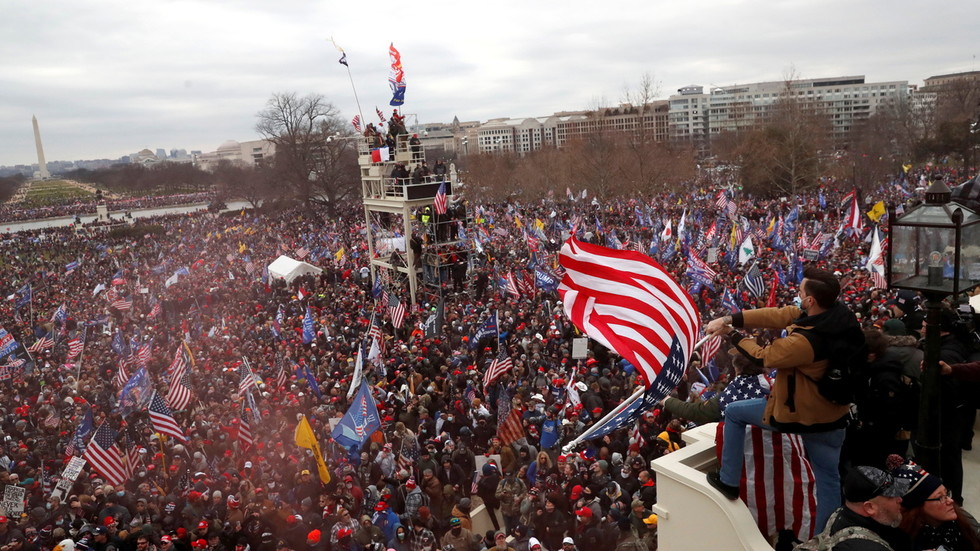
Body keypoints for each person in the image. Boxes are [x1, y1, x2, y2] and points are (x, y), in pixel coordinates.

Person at [705, 266, 858, 529]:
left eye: (800, 292)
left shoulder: (805, 342)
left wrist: (732, 334)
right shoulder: (840, 316)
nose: (796, 297)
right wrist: (732, 318)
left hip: (803, 414)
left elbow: (764, 356)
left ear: (811, 300)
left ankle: (729, 480)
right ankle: (828, 536)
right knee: (829, 479)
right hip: (836, 412)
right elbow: (779, 314)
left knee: (734, 412)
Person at [816, 466, 913, 551]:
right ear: (869, 507)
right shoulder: (867, 547)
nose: (900, 499)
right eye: (892, 496)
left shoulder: (840, 514)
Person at [892, 462, 980, 550]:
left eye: (946, 494)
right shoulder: (904, 542)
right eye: (940, 497)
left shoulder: (961, 521)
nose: (951, 500)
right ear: (918, 506)